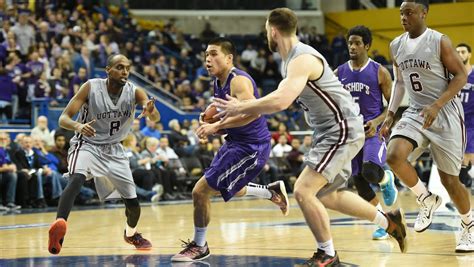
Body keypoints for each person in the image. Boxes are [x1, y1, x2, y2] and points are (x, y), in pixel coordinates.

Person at [214, 8, 407, 266]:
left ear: (273, 31)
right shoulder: (290, 61)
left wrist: (241, 107)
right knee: (327, 195)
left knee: (303, 190)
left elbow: (281, 100)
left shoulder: (301, 58)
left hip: (340, 129)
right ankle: (389, 221)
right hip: (332, 130)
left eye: (265, 30)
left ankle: (327, 254)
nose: (265, 35)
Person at [171, 37, 290, 262]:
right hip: (235, 142)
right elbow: (229, 113)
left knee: (201, 191)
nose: (208, 59)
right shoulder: (218, 81)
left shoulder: (239, 81)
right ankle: (271, 192)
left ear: (229, 58)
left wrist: (216, 125)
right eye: (206, 54)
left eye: (214, 54)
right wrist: (212, 121)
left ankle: (200, 245)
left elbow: (254, 112)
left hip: (251, 147)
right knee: (225, 187)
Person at [379, 0, 472, 253]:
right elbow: (399, 83)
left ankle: (468, 224)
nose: (403, 17)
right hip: (416, 111)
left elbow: (461, 76)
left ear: (424, 13)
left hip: (446, 113)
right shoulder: (395, 45)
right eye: (401, 13)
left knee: (450, 181)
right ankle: (425, 198)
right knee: (394, 156)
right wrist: (390, 114)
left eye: (409, 12)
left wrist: (437, 105)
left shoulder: (439, 41)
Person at [47, 54, 160, 254]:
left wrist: (151, 110)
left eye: (127, 67)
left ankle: (131, 234)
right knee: (76, 179)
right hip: (87, 144)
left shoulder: (135, 92)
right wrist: (78, 126)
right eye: (119, 67)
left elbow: (154, 115)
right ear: (107, 69)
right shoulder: (90, 87)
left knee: (133, 205)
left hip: (115, 149)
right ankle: (59, 228)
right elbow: (63, 118)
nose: (125, 71)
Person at [334, 25, 397, 240]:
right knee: (359, 181)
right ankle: (384, 221)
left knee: (370, 171)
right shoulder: (339, 72)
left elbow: (393, 106)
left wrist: (378, 121)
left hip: (374, 131)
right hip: (352, 134)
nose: (352, 46)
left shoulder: (380, 71)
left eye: (357, 43)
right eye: (350, 42)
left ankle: (386, 179)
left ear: (367, 46)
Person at [456, 43, 474, 188]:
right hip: (455, 122)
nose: (460, 54)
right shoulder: (452, 74)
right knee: (462, 160)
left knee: (467, 158)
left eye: (463, 52)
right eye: (457, 52)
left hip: (471, 122)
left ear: (469, 55)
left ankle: (458, 194)